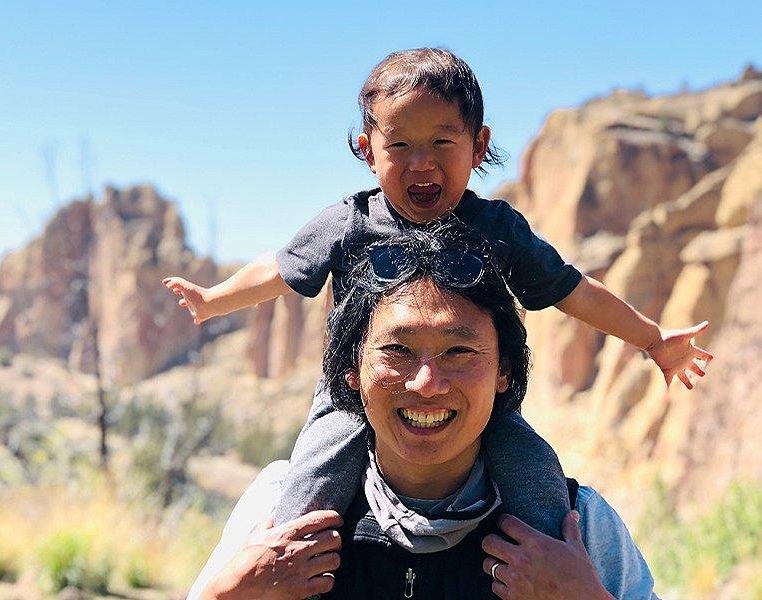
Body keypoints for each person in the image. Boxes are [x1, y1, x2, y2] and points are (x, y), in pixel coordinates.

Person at [163, 48, 711, 540]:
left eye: (441, 143)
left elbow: (572, 290)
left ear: (478, 146)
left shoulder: (498, 228)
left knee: (537, 475)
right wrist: (215, 300)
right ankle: (289, 573)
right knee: (310, 484)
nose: (421, 162)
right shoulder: (349, 223)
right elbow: (281, 269)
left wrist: (652, 339)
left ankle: (549, 569)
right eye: (399, 144)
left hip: (473, 394)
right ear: (368, 150)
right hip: (354, 391)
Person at [187, 226, 657, 599]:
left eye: (459, 351)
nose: (427, 383)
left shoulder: (577, 525)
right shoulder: (278, 509)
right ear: (351, 370)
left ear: (504, 372)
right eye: (398, 350)